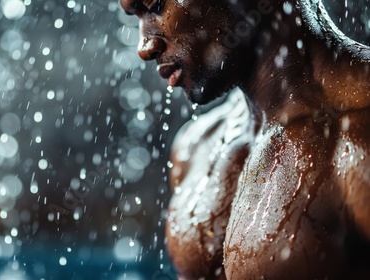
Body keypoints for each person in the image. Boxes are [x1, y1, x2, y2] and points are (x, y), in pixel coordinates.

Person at [120, 0, 370, 279]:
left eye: (155, 7)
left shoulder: (359, 137)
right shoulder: (197, 146)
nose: (145, 47)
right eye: (136, 16)